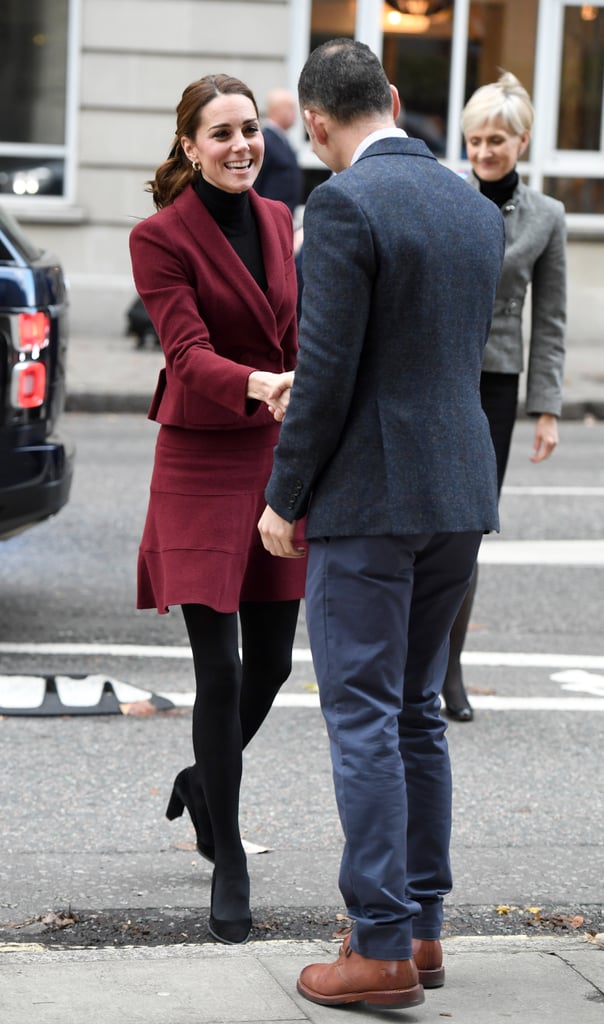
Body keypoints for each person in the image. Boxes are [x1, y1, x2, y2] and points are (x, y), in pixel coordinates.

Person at [258, 39, 504, 1009]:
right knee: (413, 713)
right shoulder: (468, 205)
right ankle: (424, 930)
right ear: (394, 99)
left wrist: (284, 497)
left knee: (360, 712)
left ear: (314, 125)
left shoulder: (341, 204)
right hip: (458, 489)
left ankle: (379, 944)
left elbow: (322, 374)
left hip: (370, 497)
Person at [129, 74, 306, 945]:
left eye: (250, 130)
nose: (242, 145)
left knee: (273, 663)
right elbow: (187, 353)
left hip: (274, 452)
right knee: (222, 669)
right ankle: (227, 855)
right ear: (191, 145)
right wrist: (261, 383)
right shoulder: (158, 238)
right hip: (201, 455)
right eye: (223, 133)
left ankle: (203, 781)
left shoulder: (279, 218)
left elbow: (296, 330)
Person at [441, 71, 566, 722]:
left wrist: (546, 405)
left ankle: (449, 670)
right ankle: (416, 662)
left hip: (495, 385)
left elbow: (550, 320)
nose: (483, 153)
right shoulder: (443, 197)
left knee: (468, 527)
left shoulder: (548, 217)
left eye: (495, 140)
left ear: (521, 141)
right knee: (425, 524)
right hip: (434, 373)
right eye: (474, 140)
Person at [254, 88, 303, 214]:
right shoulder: (266, 141)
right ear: (276, 110)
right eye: (290, 108)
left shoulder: (283, 140)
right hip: (269, 216)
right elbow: (256, 183)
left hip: (283, 215)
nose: (295, 113)